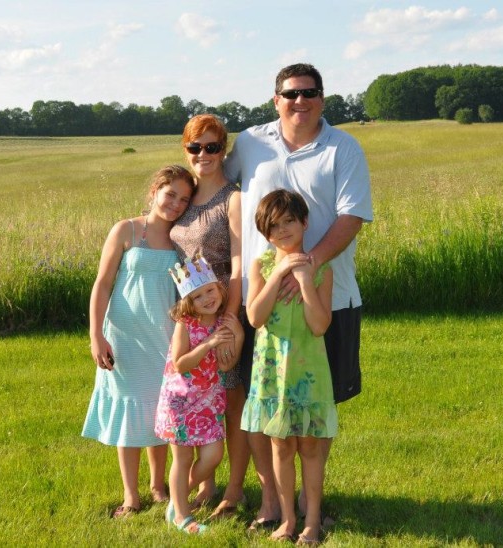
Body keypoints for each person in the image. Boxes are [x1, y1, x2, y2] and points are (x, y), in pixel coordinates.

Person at [223, 63, 373, 531]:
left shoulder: (343, 148)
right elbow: (218, 180)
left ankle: (311, 507)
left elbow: (351, 218)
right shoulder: (249, 142)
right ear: (276, 99)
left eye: (309, 93)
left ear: (322, 99)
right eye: (290, 94)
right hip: (261, 303)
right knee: (264, 406)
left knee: (316, 409)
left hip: (329, 297)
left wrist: (306, 264)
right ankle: (273, 501)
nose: (299, 102)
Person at [82, 165, 195, 518]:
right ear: (154, 191)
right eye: (170, 194)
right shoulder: (126, 230)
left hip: (164, 336)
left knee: (159, 411)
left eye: (184, 199)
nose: (175, 203)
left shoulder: (181, 241)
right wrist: (96, 335)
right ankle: (131, 495)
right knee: (130, 413)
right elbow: (102, 283)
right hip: (125, 337)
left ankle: (158, 486)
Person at [242, 190, 337, 544]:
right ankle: (287, 519)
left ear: (304, 222)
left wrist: (302, 281)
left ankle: (312, 520)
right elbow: (254, 317)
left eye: (289, 221)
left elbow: (320, 325)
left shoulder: (322, 269)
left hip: (308, 372)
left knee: (311, 448)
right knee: (280, 448)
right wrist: (278, 272)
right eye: (273, 226)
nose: (282, 230)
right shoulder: (261, 265)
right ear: (265, 233)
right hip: (272, 372)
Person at [170, 114, 249, 519]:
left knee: (230, 402)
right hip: (186, 318)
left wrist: (229, 321)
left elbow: (238, 264)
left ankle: (233, 492)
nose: (204, 155)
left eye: (213, 147)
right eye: (195, 147)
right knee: (196, 399)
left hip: (221, 315)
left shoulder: (232, 199)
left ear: (224, 149)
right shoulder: (182, 197)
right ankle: (204, 484)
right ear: (185, 149)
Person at [155, 256, 244, 534]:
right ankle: (182, 516)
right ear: (188, 303)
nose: (206, 298)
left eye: (209, 290)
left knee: (213, 455)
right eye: (197, 296)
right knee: (181, 459)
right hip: (180, 401)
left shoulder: (221, 324)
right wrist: (207, 344)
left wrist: (237, 337)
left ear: (219, 289)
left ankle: (178, 499)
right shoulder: (186, 324)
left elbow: (226, 365)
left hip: (208, 401)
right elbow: (181, 363)